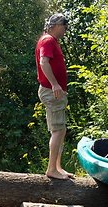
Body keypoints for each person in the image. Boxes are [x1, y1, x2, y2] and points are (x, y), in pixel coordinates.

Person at [35, 13, 73, 180]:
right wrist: (55, 84)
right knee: (58, 130)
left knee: (60, 129)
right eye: (64, 27)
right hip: (52, 91)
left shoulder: (51, 41)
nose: (65, 30)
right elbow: (44, 62)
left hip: (54, 91)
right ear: (57, 25)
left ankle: (57, 167)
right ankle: (52, 169)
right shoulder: (48, 40)